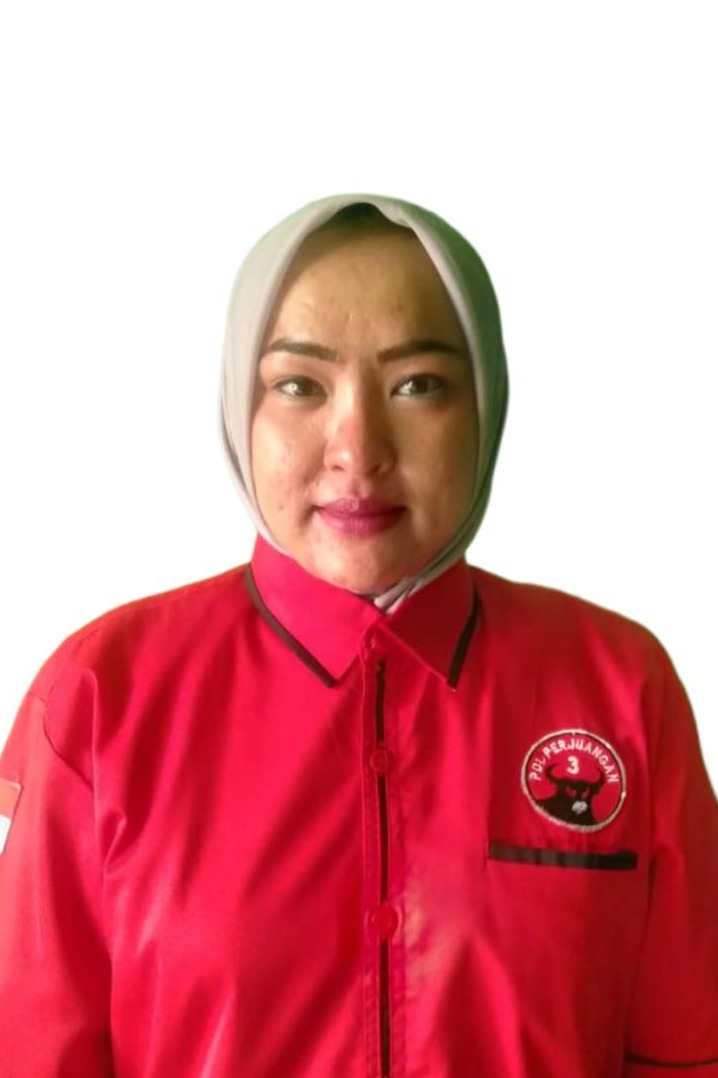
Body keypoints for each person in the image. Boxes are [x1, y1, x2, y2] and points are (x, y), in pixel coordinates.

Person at [1, 194, 717, 1077]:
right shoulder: (100, 695)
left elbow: (687, 1054)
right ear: (239, 407)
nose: (358, 449)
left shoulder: (620, 686)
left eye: (418, 384)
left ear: (486, 404)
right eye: (299, 385)